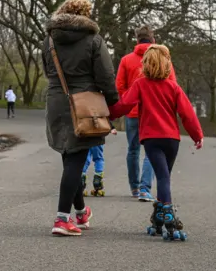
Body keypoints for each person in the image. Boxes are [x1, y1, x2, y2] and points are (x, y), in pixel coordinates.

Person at [42, 0, 118, 236]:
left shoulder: (50, 40)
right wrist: (113, 103)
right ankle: (62, 219)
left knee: (69, 158)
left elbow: (47, 70)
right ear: (86, 15)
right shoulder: (93, 40)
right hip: (84, 102)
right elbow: (105, 75)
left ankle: (81, 212)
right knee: (76, 161)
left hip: (56, 100)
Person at [109, 45, 203, 239]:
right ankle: (159, 216)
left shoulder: (141, 84)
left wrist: (108, 115)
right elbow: (187, 114)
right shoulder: (173, 87)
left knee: (162, 176)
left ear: (145, 64)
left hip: (152, 138)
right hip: (171, 140)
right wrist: (197, 135)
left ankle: (166, 212)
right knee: (164, 175)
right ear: (167, 64)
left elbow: (125, 104)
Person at [116, 25, 177, 202]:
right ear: (153, 40)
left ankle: (134, 187)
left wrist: (127, 104)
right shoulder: (164, 60)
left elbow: (120, 85)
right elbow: (172, 84)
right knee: (153, 151)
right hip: (154, 114)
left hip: (133, 113)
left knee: (133, 149)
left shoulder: (126, 60)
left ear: (137, 40)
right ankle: (145, 188)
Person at [81, 125, 118, 197]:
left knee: (85, 159)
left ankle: (81, 182)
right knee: (98, 159)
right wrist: (112, 127)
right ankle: (98, 182)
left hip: (86, 135)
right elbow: (104, 116)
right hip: (98, 135)